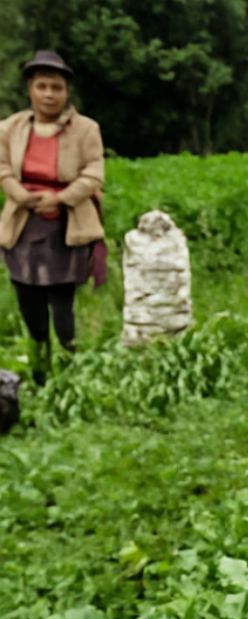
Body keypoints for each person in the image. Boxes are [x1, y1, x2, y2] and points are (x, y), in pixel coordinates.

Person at [0, 50, 105, 384]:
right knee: (29, 301)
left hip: (66, 227)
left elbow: (94, 174)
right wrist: (22, 195)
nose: (49, 94)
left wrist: (59, 198)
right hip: (22, 224)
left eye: (56, 87)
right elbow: (2, 168)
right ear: (30, 88)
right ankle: (40, 370)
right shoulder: (10, 127)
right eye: (42, 86)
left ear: (66, 92)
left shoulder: (86, 129)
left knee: (61, 305)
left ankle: (68, 372)